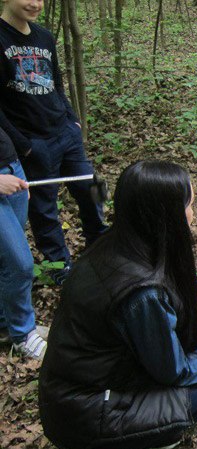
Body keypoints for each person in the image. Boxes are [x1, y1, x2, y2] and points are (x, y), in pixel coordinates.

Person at [39, 161, 197, 449]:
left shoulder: (119, 246)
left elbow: (175, 314)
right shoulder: (142, 292)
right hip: (86, 413)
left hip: (90, 387)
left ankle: (151, 432)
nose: (193, 212)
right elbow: (175, 371)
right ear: (166, 214)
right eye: (190, 204)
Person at [0, 0, 108, 285]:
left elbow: (57, 83)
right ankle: (60, 267)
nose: (36, 4)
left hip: (64, 132)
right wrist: (24, 145)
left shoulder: (44, 36)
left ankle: (102, 244)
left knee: (93, 186)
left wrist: (72, 120)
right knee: (44, 208)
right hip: (33, 141)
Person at [1, 126, 46, 359]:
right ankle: (22, 335)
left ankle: (5, 325)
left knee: (5, 261)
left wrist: (15, 167)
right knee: (20, 264)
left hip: (10, 167)